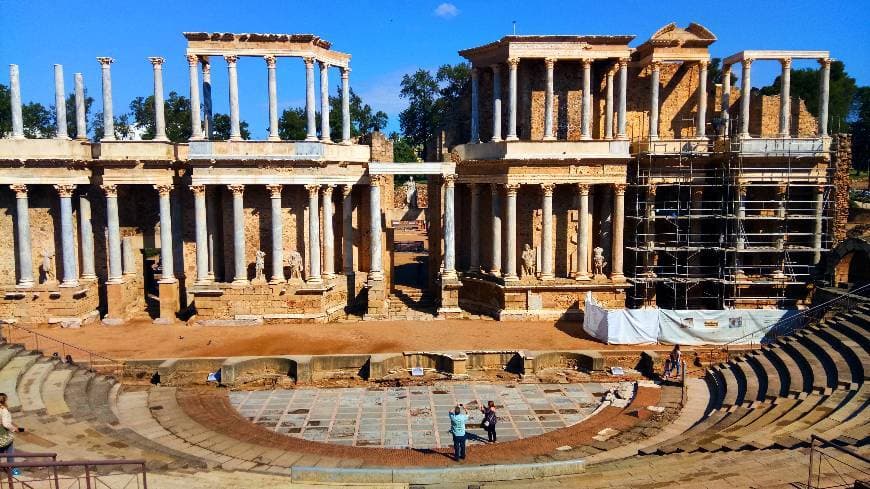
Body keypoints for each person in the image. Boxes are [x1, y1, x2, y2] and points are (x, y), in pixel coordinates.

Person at [0, 393, 23, 477]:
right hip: (3, 435)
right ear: (5, 400)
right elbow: (6, 424)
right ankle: (12, 470)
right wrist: (15, 429)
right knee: (10, 450)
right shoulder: (3, 410)